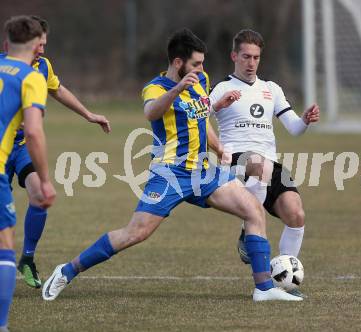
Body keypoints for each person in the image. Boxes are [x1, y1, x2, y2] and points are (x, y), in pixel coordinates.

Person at [42, 28, 302, 303]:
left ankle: (263, 289)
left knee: (253, 210)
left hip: (202, 172)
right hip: (170, 174)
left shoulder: (200, 80)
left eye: (202, 63)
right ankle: (67, 270)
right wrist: (179, 89)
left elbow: (200, 119)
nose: (201, 69)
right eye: (196, 63)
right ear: (178, 63)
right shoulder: (155, 88)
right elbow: (150, 112)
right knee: (135, 233)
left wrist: (219, 147)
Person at [1, 15, 111, 289]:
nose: (42, 49)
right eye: (40, 43)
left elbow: (58, 90)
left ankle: (27, 258)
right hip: (6, 146)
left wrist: (88, 114)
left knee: (39, 195)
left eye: (44, 43)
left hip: (22, 148)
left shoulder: (42, 67)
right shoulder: (10, 67)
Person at [209, 29, 320, 298]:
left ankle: (282, 282)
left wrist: (304, 120)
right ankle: (249, 229)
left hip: (269, 164)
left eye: (256, 57)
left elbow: (293, 128)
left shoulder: (271, 89)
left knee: (296, 214)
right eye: (246, 56)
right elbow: (199, 118)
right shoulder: (221, 88)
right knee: (259, 164)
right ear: (234, 55)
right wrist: (217, 107)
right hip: (235, 160)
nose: (251, 63)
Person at [0, 15, 56, 332]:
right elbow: (34, 132)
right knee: (4, 247)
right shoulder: (30, 76)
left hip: (12, 155)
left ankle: (29, 258)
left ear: (7, 44)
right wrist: (47, 181)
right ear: (37, 47)